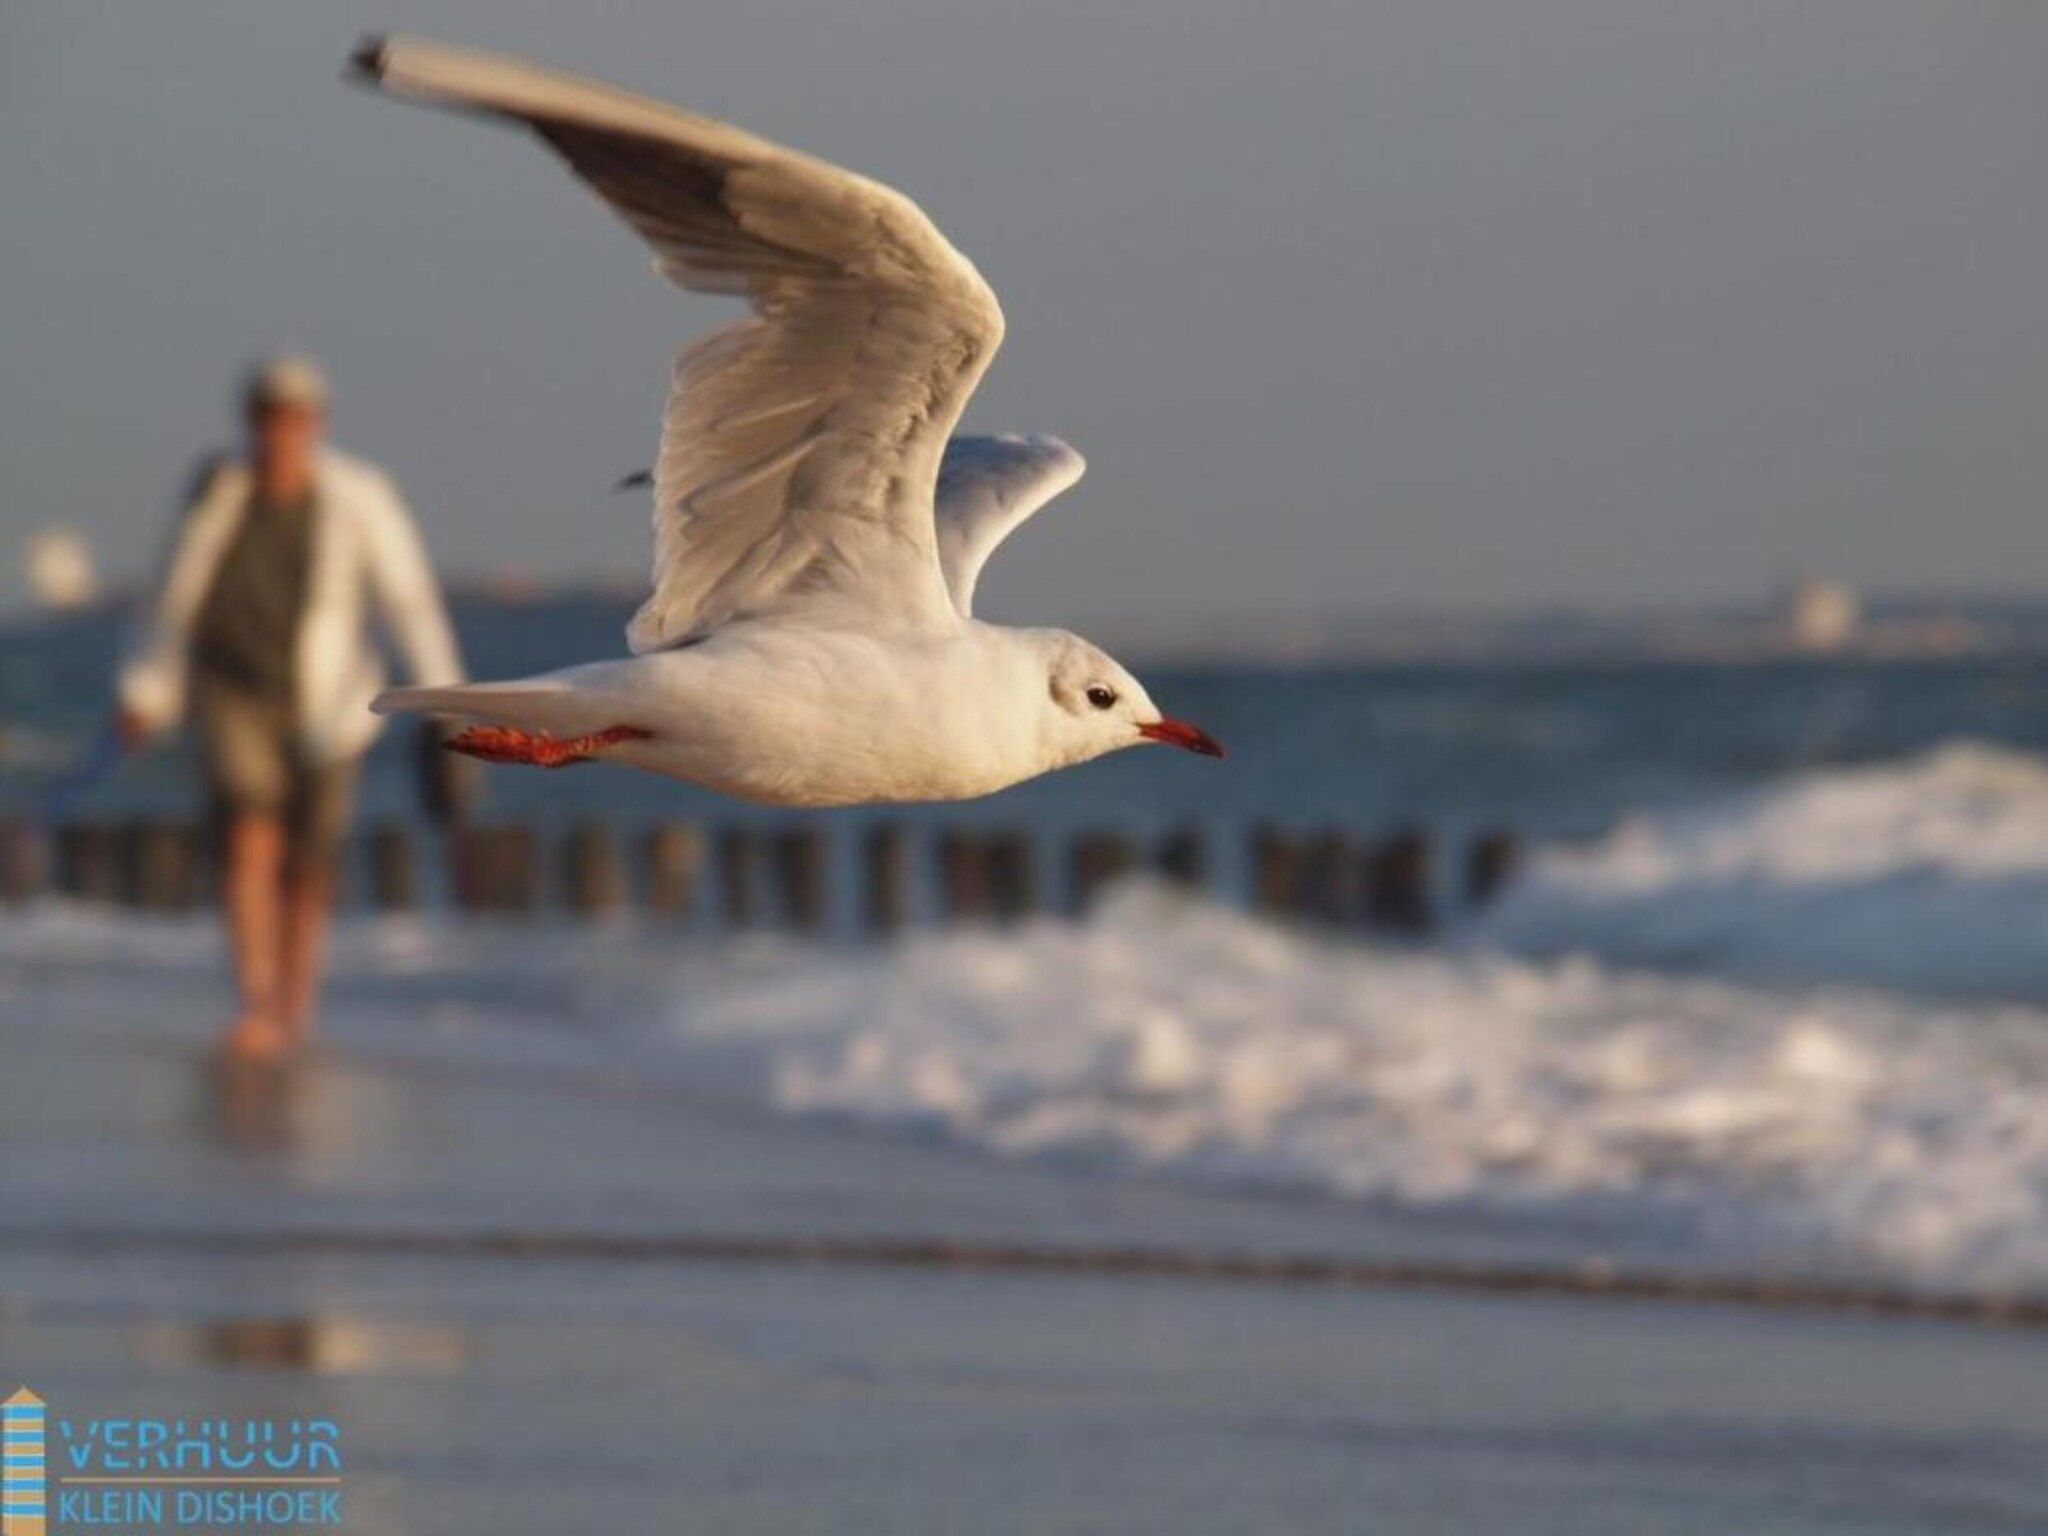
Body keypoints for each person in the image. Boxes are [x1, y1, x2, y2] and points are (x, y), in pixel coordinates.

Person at [117, 356, 463, 1062]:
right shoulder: (219, 490)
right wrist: (145, 690)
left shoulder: (359, 495)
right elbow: (170, 594)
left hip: (333, 701)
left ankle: (293, 1003)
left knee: (309, 860)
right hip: (231, 690)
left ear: (315, 423)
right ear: (250, 422)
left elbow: (407, 599)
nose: (279, 431)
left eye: (293, 418)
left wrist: (442, 697)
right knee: (248, 834)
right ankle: (255, 1000)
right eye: (267, 417)